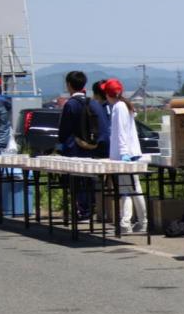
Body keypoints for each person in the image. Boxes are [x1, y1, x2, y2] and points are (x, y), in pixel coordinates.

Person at [56, 70, 102, 219]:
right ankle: (90, 208)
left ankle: (82, 210)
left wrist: (62, 144)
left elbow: (64, 130)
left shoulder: (70, 104)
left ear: (69, 85)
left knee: (76, 181)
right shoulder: (91, 102)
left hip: (73, 147)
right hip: (90, 147)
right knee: (88, 179)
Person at [105, 78, 147, 234]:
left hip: (125, 155)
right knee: (134, 189)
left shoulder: (119, 107)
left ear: (108, 94)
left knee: (127, 190)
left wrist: (123, 154)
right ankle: (142, 222)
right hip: (130, 154)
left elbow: (121, 132)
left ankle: (126, 222)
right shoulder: (124, 105)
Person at [90, 80, 112, 159]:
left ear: (96, 94)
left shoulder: (94, 107)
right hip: (114, 147)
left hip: (100, 147)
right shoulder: (113, 106)